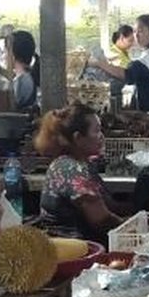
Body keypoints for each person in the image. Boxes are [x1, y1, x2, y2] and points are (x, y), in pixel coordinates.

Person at [34, 104, 126, 243]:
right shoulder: (71, 169)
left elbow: (108, 205)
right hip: (75, 252)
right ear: (78, 138)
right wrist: (140, 233)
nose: (101, 136)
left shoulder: (80, 164)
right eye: (96, 131)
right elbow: (101, 221)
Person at [90, 14, 149, 112]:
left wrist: (99, 63)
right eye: (135, 31)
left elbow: (127, 75)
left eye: (140, 31)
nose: (136, 35)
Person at [10, 30, 40, 111]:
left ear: (12, 54)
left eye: (5, 51)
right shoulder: (27, 76)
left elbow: (12, 107)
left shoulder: (22, 80)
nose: (4, 55)